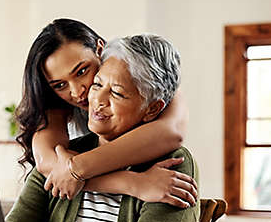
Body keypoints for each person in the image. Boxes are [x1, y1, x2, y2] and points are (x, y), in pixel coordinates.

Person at [6, 34, 203, 222]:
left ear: (152, 109)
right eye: (97, 85)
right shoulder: (64, 156)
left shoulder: (175, 163)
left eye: (117, 93)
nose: (95, 100)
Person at [15, 19, 197, 207]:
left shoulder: (148, 78)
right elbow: (50, 164)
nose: (77, 92)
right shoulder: (55, 105)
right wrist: (133, 183)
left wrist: (76, 169)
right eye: (60, 85)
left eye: (82, 71)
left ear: (99, 50)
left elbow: (171, 132)